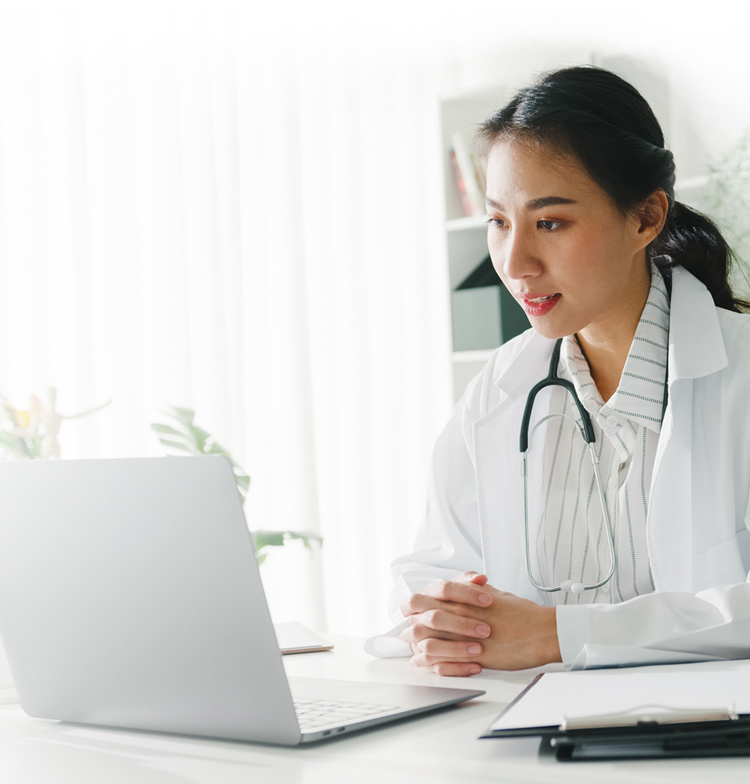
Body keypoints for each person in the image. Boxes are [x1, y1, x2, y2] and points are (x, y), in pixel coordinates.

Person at [381, 66, 750, 675]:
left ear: (646, 218)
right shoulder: (498, 391)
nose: (515, 262)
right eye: (498, 222)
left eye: (550, 222)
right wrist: (446, 618)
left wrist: (558, 634)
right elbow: (432, 571)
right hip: (530, 737)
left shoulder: (737, 376)